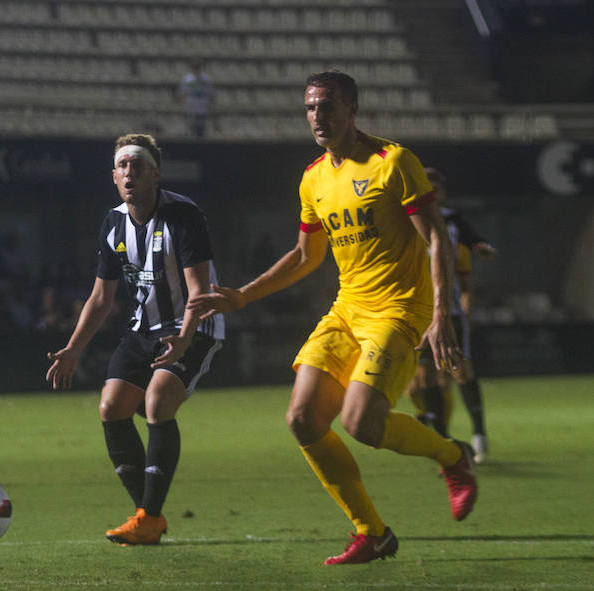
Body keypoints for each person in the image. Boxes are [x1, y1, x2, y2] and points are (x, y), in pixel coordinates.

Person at [188, 71, 478, 565]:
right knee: (302, 419)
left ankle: (453, 457)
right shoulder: (313, 178)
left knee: (362, 423)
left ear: (352, 109)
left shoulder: (394, 162)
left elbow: (437, 240)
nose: (317, 117)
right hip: (347, 310)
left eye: (327, 106)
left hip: (399, 310)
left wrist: (442, 316)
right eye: (310, 108)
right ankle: (372, 532)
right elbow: (306, 256)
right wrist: (244, 296)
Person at [46, 133, 225, 545]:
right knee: (111, 407)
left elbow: (199, 292)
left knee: (157, 403)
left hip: (193, 326)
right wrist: (74, 348)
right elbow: (101, 297)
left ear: (155, 174)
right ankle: (148, 515)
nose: (130, 172)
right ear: (113, 176)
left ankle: (149, 517)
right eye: (123, 166)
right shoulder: (113, 223)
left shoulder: (183, 215)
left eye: (138, 165)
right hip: (144, 328)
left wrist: (184, 338)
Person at [406, 168, 495, 462]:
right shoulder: (404, 219)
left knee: (460, 371)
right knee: (424, 377)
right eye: (426, 188)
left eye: (435, 189)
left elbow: (474, 241)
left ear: (442, 193)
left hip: (449, 311)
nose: (431, 193)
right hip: (417, 312)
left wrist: (481, 247)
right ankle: (443, 442)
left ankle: (479, 434)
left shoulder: (452, 220)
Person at [178, 62, 214, 138]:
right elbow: (183, 92)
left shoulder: (206, 79)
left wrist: (210, 104)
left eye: (197, 68)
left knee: (201, 124)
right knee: (190, 124)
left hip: (202, 104)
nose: (196, 70)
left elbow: (210, 93)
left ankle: (201, 137)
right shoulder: (187, 79)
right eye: (194, 68)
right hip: (190, 104)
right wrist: (182, 103)